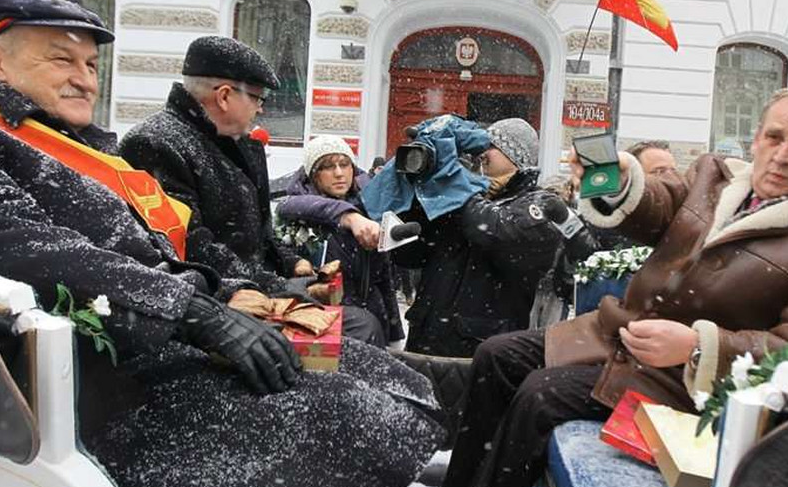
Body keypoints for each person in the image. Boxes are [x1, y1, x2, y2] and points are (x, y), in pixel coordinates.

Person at [0, 0, 442, 487]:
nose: (85, 79)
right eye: (61, 60)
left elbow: (160, 245)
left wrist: (218, 293)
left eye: (90, 65)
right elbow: (16, 245)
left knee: (376, 372)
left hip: (164, 335)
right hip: (102, 374)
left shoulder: (79, 144)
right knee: (347, 412)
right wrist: (198, 312)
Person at [409, 87, 788, 487]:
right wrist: (614, 181)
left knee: (541, 393)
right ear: (757, 138)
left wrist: (699, 346)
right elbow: (657, 206)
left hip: (684, 381)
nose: (781, 155)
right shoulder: (715, 178)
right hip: (621, 335)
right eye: (774, 137)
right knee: (496, 354)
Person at [120, 36, 312, 298]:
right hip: (217, 305)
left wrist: (292, 264)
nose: (260, 109)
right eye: (258, 98)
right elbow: (194, 247)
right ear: (224, 96)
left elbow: (259, 234)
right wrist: (278, 288)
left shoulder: (237, 144)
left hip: (252, 296)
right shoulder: (154, 144)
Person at [392, 118, 568, 357]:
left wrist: (454, 183)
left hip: (481, 350)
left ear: (516, 156)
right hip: (426, 336)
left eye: (492, 146)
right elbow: (408, 256)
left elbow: (495, 232)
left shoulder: (542, 204)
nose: (481, 152)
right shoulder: (463, 197)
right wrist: (418, 195)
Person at [276, 135, 404, 346]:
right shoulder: (298, 212)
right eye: (327, 167)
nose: (338, 173)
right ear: (313, 176)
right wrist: (349, 217)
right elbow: (293, 205)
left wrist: (394, 332)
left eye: (344, 164)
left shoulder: (369, 212)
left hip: (370, 322)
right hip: (319, 327)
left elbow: (383, 278)